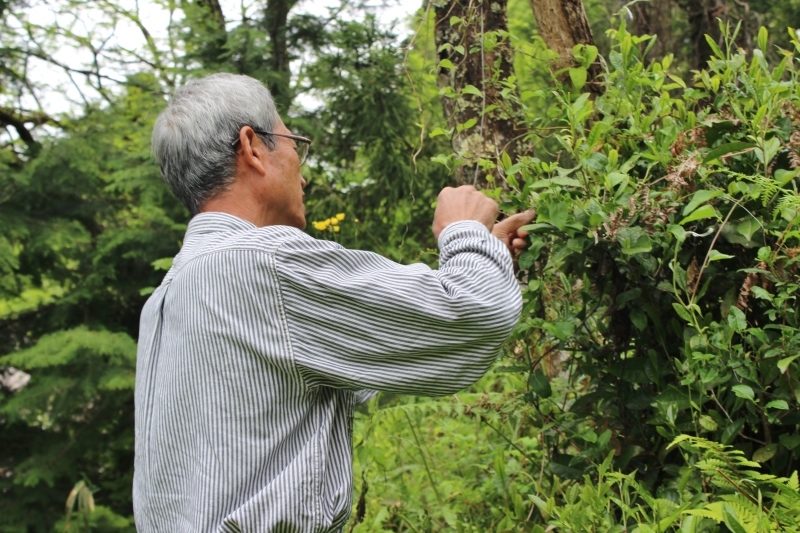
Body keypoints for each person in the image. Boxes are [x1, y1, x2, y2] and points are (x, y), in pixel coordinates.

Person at [134, 73, 533, 532]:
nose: (302, 170)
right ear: (252, 148)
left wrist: (486, 257)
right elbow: (473, 316)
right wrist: (462, 231)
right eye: (293, 144)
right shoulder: (266, 262)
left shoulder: (170, 295)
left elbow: (370, 354)